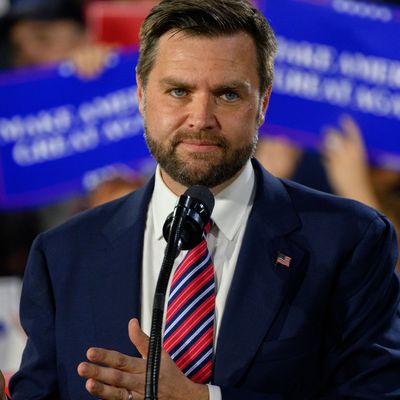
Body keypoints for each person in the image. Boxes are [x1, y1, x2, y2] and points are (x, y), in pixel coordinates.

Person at [3, 0, 400, 399]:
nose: (200, 118)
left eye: (228, 94)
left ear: (262, 103)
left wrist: (202, 398)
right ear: (141, 95)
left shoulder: (350, 240)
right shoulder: (62, 254)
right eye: (178, 91)